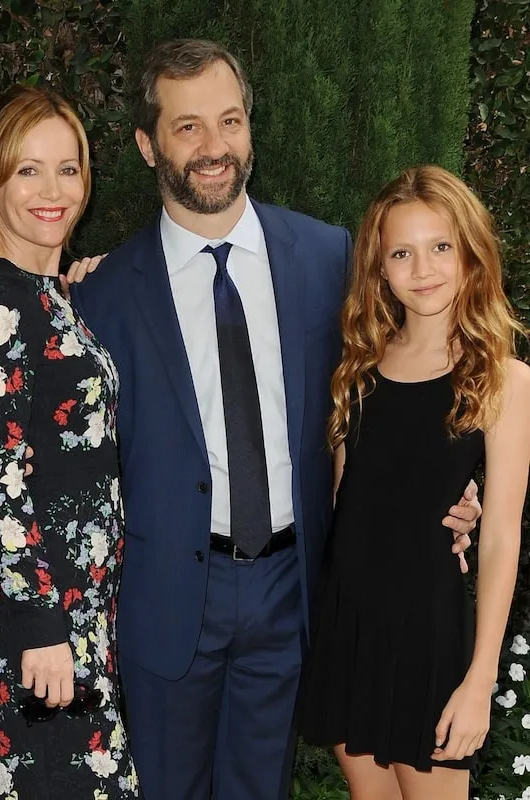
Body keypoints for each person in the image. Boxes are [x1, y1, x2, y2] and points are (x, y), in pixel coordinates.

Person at [68, 39, 481, 799]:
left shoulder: (331, 258)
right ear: (145, 143)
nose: (214, 146)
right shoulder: (100, 298)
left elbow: (413, 389)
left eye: (229, 121)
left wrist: (460, 488)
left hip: (293, 592)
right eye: (187, 127)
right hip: (166, 605)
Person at [296, 166, 529, 798]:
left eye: (441, 247)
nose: (423, 268)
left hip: (429, 634)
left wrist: (480, 679)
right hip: (351, 625)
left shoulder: (501, 379)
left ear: (471, 253)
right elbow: (347, 501)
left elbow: (502, 536)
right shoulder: (357, 367)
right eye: (403, 252)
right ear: (379, 266)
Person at [0, 84, 138, 799]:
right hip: (43, 622)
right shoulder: (1, 299)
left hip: (82, 611)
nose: (52, 189)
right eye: (28, 170)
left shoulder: (44, 291)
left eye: (68, 167)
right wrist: (39, 625)